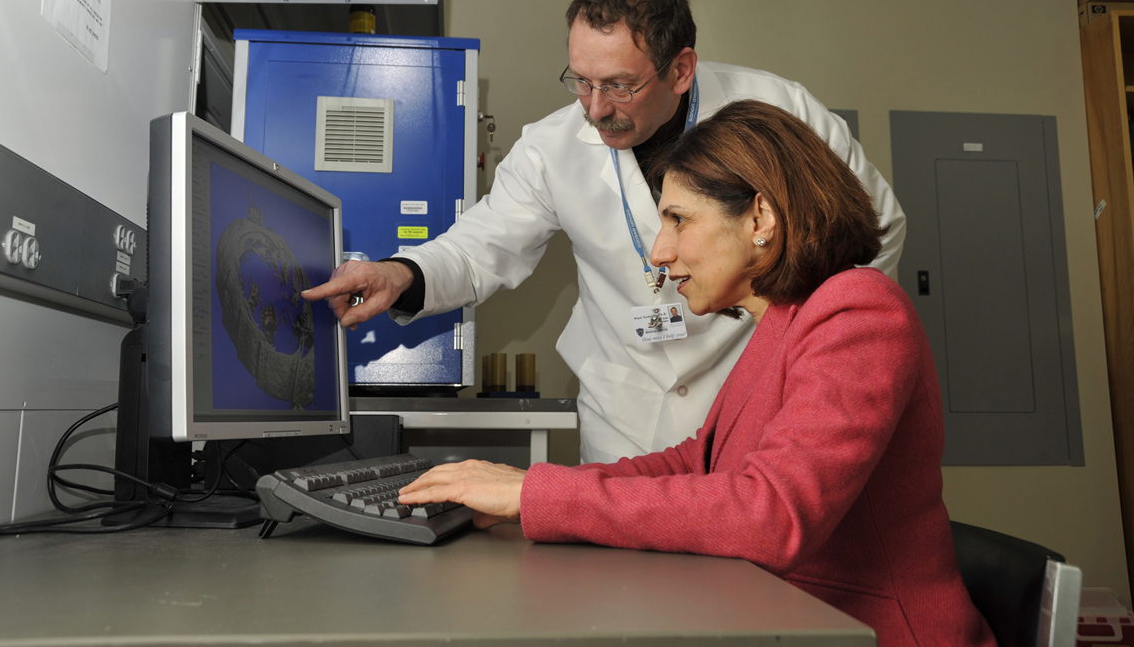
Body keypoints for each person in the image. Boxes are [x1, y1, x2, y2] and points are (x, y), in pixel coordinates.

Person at [397, 100, 995, 647]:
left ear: (760, 216)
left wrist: (537, 495)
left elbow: (773, 514)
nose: (659, 252)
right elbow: (698, 460)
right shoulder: (785, 319)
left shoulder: (858, 310)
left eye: (678, 220)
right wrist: (531, 489)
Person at [303, 0, 906, 464]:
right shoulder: (551, 146)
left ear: (681, 69)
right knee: (620, 596)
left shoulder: (777, 109)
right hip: (628, 414)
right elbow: (479, 247)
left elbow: (873, 226)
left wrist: (796, 341)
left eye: (619, 86)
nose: (594, 109)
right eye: (581, 81)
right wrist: (400, 273)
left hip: (755, 392)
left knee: (749, 581)